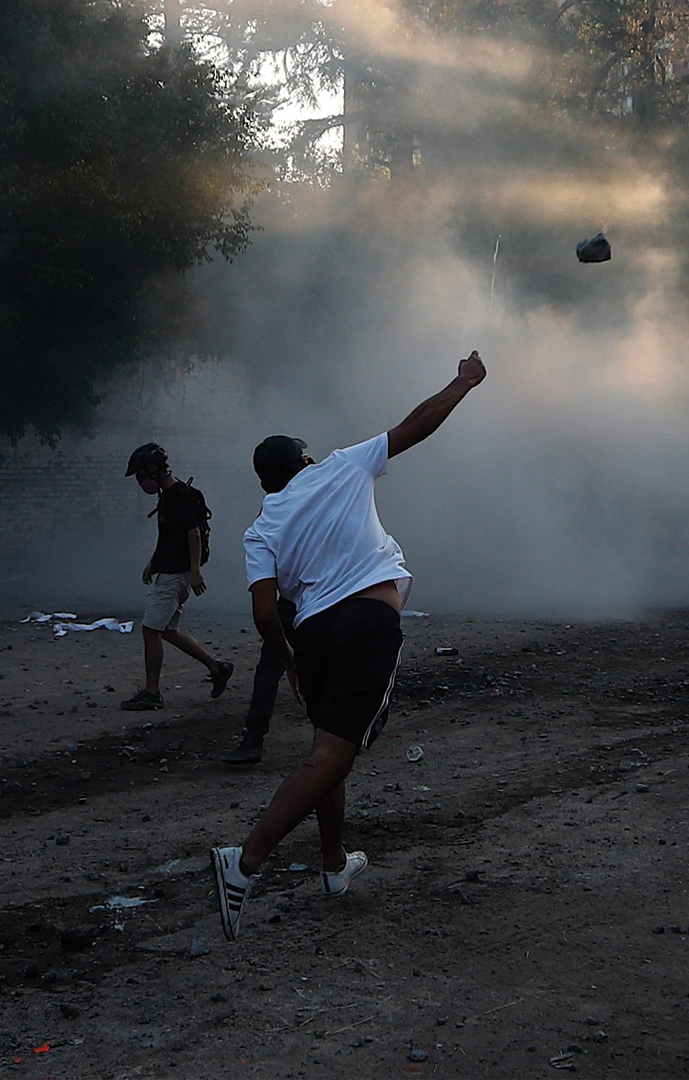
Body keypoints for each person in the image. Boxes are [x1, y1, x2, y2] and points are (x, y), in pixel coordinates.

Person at [210, 351, 486, 940]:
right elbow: (416, 424)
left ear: (267, 482)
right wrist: (463, 382)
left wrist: (288, 662)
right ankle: (246, 860)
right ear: (305, 459)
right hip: (365, 625)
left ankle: (334, 865)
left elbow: (264, 612)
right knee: (334, 755)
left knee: (328, 748)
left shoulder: (261, 526)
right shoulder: (338, 466)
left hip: (312, 635)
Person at [122, 443, 233, 711]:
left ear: (154, 469)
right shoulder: (168, 495)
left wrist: (195, 571)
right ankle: (217, 667)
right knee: (168, 631)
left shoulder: (178, 495)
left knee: (151, 630)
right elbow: (169, 534)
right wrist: (153, 562)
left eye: (141, 474)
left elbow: (193, 533)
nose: (141, 480)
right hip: (168, 569)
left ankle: (151, 693)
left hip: (175, 575)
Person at [219, 596, 294, 764]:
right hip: (330, 602)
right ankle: (343, 737)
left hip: (294, 604)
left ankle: (253, 738)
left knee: (268, 671)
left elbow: (264, 611)